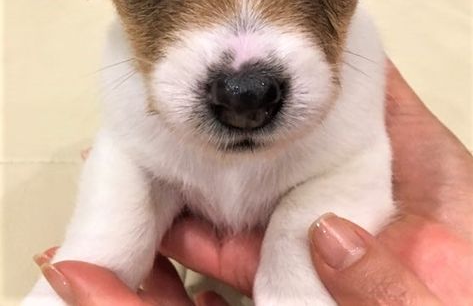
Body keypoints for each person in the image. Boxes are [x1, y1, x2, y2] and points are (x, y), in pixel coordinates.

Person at [33, 62, 473, 305]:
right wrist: (102, 254)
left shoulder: (358, 79)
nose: (243, 84)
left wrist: (293, 281)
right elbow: (128, 154)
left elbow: (355, 164)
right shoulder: (129, 83)